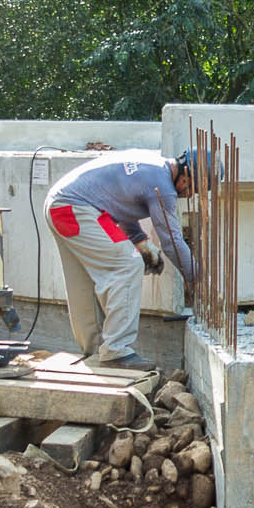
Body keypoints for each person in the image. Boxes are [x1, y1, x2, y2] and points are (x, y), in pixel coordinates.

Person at [45, 149, 200, 371]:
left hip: (59, 204)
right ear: (186, 175)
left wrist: (139, 240)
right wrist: (198, 278)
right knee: (128, 264)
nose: (190, 195)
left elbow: (121, 203)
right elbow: (172, 242)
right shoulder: (164, 188)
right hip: (78, 209)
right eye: (193, 188)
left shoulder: (152, 164)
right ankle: (116, 350)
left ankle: (95, 350)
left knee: (83, 280)